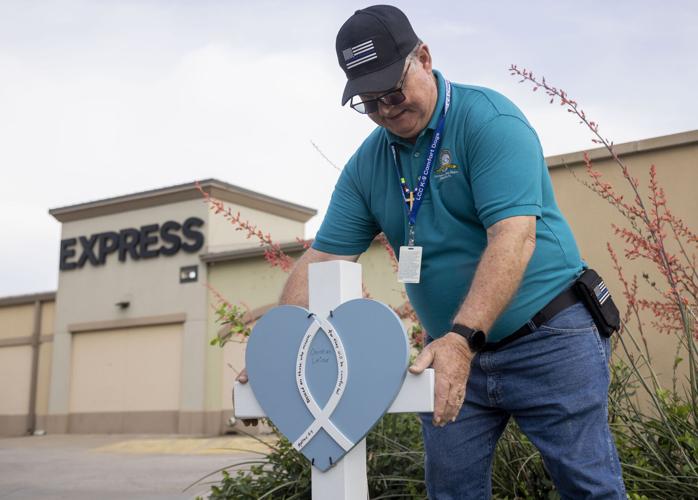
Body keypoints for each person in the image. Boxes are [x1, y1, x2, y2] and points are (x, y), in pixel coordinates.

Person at [238, 5, 626, 499]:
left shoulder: (489, 121)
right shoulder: (367, 165)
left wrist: (462, 340)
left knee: (589, 488)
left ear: (423, 58)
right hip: (448, 350)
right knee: (451, 493)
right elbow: (322, 261)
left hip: (547, 339)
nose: (385, 110)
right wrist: (277, 349)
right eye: (368, 102)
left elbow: (513, 237)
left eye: (393, 92)